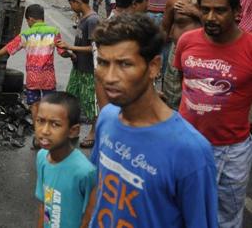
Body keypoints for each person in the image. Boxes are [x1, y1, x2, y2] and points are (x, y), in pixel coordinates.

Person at [81, 13, 218, 228]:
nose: (109, 77)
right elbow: (97, 189)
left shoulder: (190, 151)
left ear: (153, 67)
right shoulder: (107, 119)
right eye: (103, 63)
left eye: (125, 64)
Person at [174, 0, 252, 227]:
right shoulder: (187, 41)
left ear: (237, 12)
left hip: (233, 151)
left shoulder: (250, 48)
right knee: (184, 210)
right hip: (188, 144)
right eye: (205, 9)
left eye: (219, 10)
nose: (210, 17)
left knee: (227, 216)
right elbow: (181, 80)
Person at [0, 4, 69, 115]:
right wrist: (71, 54)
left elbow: (8, 47)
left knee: (34, 105)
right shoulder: (54, 32)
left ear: (30, 19)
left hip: (32, 78)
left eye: (27, 21)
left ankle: (37, 127)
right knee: (50, 105)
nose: (28, 24)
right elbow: (62, 52)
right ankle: (48, 127)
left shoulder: (26, 34)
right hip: (48, 78)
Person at [33, 92, 96, 228]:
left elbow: (89, 218)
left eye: (55, 124)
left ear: (73, 131)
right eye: (40, 121)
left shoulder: (85, 172)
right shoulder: (42, 157)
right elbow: (44, 206)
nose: (44, 131)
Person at [161, 0, 209, 109]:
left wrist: (195, 12)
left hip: (205, 55)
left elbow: (223, 28)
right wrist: (155, 55)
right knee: (172, 95)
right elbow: (164, 29)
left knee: (201, 97)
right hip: (177, 53)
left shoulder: (215, 2)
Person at [56, 0, 99, 148]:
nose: (71, 7)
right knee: (71, 96)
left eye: (71, 4)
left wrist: (71, 47)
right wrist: (70, 53)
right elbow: (80, 44)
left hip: (88, 69)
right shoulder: (82, 18)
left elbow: (94, 48)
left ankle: (93, 132)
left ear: (78, 2)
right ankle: (72, 129)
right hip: (78, 66)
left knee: (90, 102)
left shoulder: (92, 20)